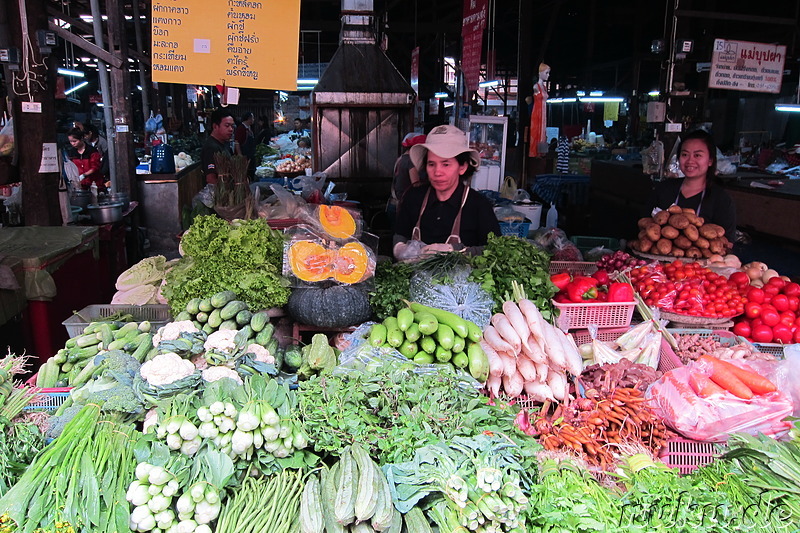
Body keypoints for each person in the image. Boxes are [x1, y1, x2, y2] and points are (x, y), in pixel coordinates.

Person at [393, 125, 501, 259]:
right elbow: (400, 234)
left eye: (446, 164)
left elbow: (495, 249)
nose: (437, 172)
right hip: (416, 278)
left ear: (462, 167)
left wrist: (454, 250)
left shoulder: (478, 205)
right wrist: (400, 249)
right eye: (431, 164)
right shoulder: (414, 197)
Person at [651, 129, 737, 242]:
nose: (690, 160)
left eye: (697, 155)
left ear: (710, 160)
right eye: (685, 154)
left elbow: (727, 243)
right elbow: (646, 225)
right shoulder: (663, 189)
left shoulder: (721, 200)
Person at [387, 132, 427, 229]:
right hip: (402, 207)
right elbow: (416, 185)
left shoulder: (401, 159)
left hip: (393, 204)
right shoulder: (411, 161)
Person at [201, 108, 235, 185]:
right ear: (215, 126)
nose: (231, 129)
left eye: (232, 126)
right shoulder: (211, 147)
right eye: (227, 126)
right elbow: (210, 179)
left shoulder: (225, 144)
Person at [66, 127, 104, 191]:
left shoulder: (92, 151)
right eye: (71, 141)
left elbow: (95, 167)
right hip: (79, 184)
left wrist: (84, 175)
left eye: (75, 141)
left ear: (81, 139)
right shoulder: (71, 153)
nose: (73, 143)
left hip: (94, 184)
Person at [528, 63, 550, 158]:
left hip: (543, 112)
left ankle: (541, 152)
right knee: (536, 130)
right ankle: (535, 152)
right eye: (546, 73)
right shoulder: (536, 87)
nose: (548, 75)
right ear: (540, 73)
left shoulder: (544, 88)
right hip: (537, 112)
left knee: (542, 131)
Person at [235, 112, 257, 177]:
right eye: (252, 118)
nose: (253, 119)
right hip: (244, 155)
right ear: (249, 119)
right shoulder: (241, 128)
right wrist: (239, 154)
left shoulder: (249, 128)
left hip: (250, 155)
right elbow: (237, 142)